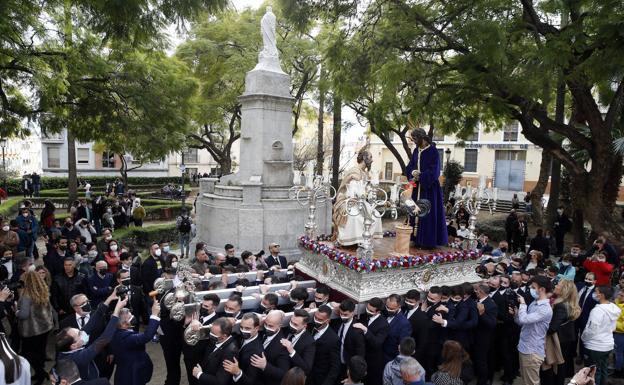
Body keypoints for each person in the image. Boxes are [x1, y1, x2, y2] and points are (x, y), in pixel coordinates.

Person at [404, 128, 447, 248]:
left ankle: (427, 241)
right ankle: (415, 237)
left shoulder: (433, 151)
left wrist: (421, 176)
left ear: (421, 138)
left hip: (429, 188)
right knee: (414, 210)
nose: (413, 141)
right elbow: (410, 166)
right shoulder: (416, 151)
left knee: (427, 213)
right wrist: (412, 172)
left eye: (415, 139)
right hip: (417, 187)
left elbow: (435, 170)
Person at [332, 148, 383, 246]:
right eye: (370, 157)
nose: (372, 160)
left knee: (375, 215)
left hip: (360, 201)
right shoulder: (354, 171)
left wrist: (371, 193)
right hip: (347, 201)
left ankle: (364, 239)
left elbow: (365, 191)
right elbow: (352, 191)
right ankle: (344, 240)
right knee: (355, 217)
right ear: (364, 158)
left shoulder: (364, 173)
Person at [510, 275, 553, 385]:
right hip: (524, 347)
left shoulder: (545, 309)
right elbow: (522, 322)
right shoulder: (534, 302)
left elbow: (524, 319)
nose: (531, 290)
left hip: (532, 351)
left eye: (534, 287)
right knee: (526, 380)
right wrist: (516, 314)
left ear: (542, 289)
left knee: (532, 382)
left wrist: (523, 304)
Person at [16, 271, 54, 385]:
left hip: (32, 330)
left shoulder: (26, 296)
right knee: (40, 352)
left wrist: (16, 311)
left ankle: (41, 374)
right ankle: (40, 373)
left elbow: (23, 314)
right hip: (45, 328)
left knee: (28, 354)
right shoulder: (43, 290)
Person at [110, 300, 161, 385]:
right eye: (130, 317)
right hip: (131, 376)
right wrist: (154, 315)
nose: (133, 317)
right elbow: (147, 336)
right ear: (123, 324)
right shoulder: (126, 338)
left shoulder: (116, 331)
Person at [540, 280, 581, 385]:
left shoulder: (561, 305)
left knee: (555, 369)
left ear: (564, 290)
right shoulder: (565, 303)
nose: (556, 286)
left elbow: (552, 328)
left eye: (558, 285)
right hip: (565, 340)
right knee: (560, 367)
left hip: (559, 341)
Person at [581, 285, 622, 385]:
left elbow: (591, 329)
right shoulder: (613, 308)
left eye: (596, 292)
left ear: (602, 295)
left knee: (594, 372)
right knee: (603, 370)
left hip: (595, 346)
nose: (595, 294)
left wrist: (583, 338)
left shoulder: (597, 311)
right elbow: (613, 327)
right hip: (607, 345)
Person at [352, 297, 388, 385]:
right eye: (367, 309)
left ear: (378, 312)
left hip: (373, 363)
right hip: (360, 357)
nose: (368, 311)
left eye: (371, 311)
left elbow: (377, 343)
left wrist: (366, 330)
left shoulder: (383, 324)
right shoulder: (364, 315)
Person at [192, 317, 240, 385]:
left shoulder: (230, 352)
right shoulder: (217, 339)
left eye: (214, 334)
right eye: (211, 331)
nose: (211, 335)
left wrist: (199, 374)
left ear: (224, 336)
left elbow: (220, 381)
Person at [222, 312, 264, 385]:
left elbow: (250, 381)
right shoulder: (239, 336)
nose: (243, 330)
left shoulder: (257, 352)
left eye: (247, 328)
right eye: (241, 327)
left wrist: (238, 372)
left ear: (256, 328)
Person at [308, 305, 340, 385]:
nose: (316, 321)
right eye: (315, 317)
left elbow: (335, 366)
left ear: (328, 321)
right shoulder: (310, 327)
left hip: (319, 379)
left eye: (320, 320)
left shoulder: (333, 339)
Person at [473, 284, 497, 385]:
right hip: (475, 336)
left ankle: (482, 381)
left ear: (481, 292)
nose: (475, 292)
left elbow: (492, 324)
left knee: (482, 361)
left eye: (477, 290)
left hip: (483, 338)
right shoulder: (478, 301)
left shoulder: (491, 305)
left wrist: (482, 313)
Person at [280, 309, 316, 375]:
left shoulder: (309, 342)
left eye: (295, 325)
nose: (291, 326)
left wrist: (292, 351)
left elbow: (306, 368)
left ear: (304, 326)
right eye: (291, 322)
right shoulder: (285, 329)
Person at [614, 290, 624, 378]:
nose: (619, 296)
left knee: (619, 353)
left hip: (620, 334)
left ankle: (618, 371)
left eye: (622, 295)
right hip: (615, 332)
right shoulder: (616, 302)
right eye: (619, 294)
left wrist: (612, 323)